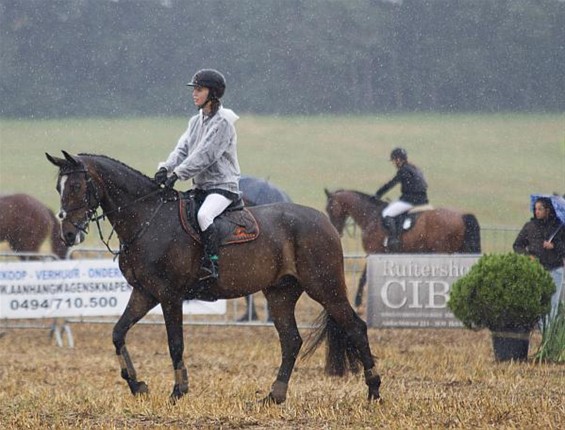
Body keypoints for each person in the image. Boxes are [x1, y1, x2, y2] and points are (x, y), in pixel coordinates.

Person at [154, 69, 240, 281]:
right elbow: (182, 149)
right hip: (202, 187)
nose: (194, 94)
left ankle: (212, 264)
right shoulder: (196, 121)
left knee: (204, 216)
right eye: (194, 89)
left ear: (212, 93)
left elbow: (206, 155)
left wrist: (178, 174)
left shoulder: (223, 122)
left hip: (223, 187)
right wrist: (166, 167)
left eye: (199, 90)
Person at [513, 196, 565, 323]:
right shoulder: (529, 226)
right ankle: (539, 327)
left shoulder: (559, 227)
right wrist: (527, 255)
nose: (537, 211)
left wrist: (554, 246)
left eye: (540, 209)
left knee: (552, 303)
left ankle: (548, 331)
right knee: (537, 300)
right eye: (535, 209)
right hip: (536, 269)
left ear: (548, 210)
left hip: (555, 268)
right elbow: (517, 245)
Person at [374, 147, 428, 252]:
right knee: (395, 205)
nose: (394, 163)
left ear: (398, 159)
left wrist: (378, 194)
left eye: (394, 160)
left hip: (411, 201)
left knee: (386, 213)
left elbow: (390, 184)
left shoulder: (403, 170)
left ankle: (393, 239)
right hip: (422, 200)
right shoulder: (415, 168)